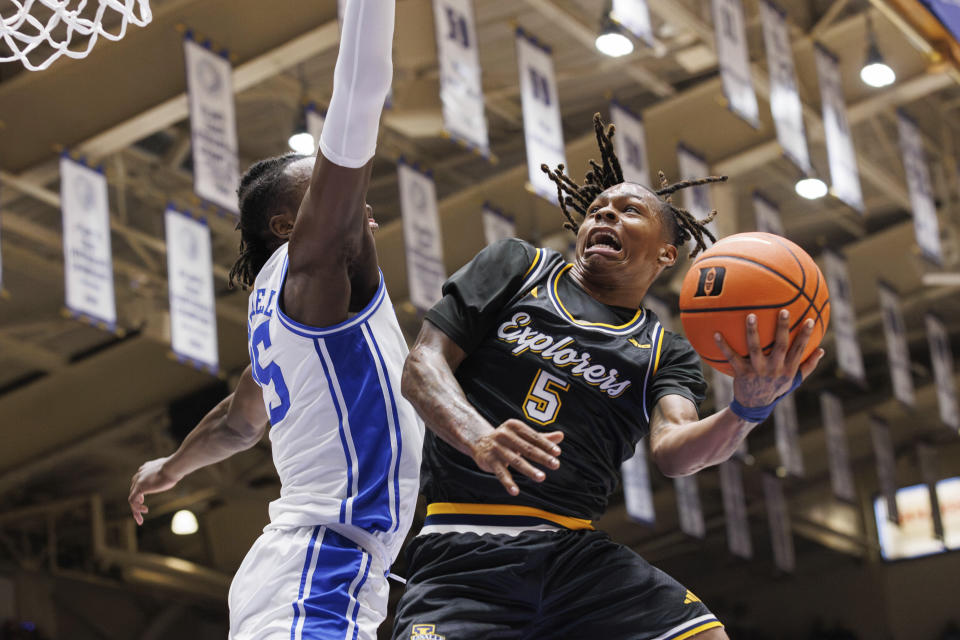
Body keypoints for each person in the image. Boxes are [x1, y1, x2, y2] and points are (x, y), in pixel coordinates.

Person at [392, 114, 824, 640]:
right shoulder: (518, 267)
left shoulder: (666, 352)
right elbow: (422, 367)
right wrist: (480, 436)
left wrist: (746, 411)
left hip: (572, 554)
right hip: (461, 547)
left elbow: (673, 452)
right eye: (596, 210)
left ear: (667, 253)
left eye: (628, 211)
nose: (604, 216)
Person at [128, 2, 423, 638]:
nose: (362, 212)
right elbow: (360, 94)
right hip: (318, 562)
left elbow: (238, 422)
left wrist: (171, 467)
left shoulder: (279, 308)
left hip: (318, 562)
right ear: (291, 227)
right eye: (332, 198)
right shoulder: (315, 267)